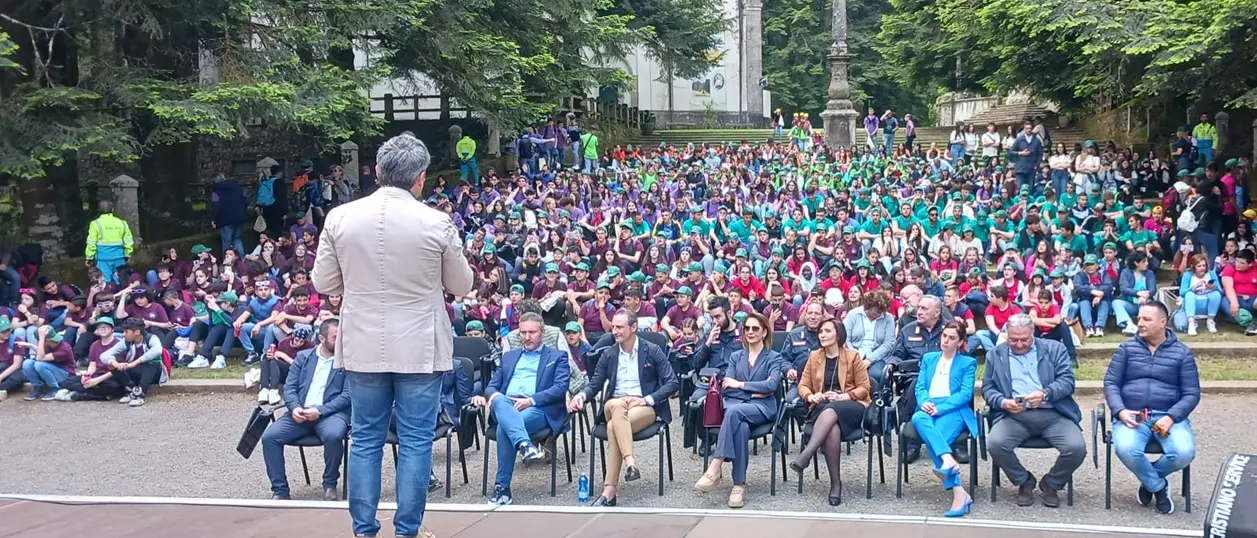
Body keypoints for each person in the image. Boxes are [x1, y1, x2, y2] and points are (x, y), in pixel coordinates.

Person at [312, 134, 474, 538]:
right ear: (420, 179)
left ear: (378, 172)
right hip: (419, 343)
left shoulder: (340, 217)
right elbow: (461, 283)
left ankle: (364, 530)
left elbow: (323, 280)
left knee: (365, 437)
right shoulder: (436, 221)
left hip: (364, 341)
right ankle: (407, 531)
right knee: (417, 441)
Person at [568, 310, 679, 506]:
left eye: (619, 327)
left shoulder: (652, 350)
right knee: (617, 405)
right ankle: (630, 462)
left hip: (642, 405)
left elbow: (672, 382)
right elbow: (594, 385)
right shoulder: (609, 354)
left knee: (612, 428)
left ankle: (609, 491)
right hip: (615, 402)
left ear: (633, 327)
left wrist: (648, 399)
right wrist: (581, 396)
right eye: (613, 327)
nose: (615, 331)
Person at [1103, 302, 1199, 514]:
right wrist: (1120, 411)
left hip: (1169, 416)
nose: (1140, 323)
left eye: (1146, 319)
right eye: (1139, 319)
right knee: (1126, 449)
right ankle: (1158, 486)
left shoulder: (1182, 353)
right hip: (1132, 415)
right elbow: (1111, 383)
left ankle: (1149, 481)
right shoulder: (1126, 349)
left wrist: (1172, 416)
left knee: (1184, 453)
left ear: (1163, 323)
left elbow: (1192, 393)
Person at [982, 314, 1086, 508]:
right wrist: (1004, 402)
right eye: (1013, 340)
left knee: (1076, 448)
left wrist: (1046, 394)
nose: (1019, 344)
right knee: (996, 444)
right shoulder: (995, 355)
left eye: (1024, 340)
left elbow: (1067, 382)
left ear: (1034, 334)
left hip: (1053, 413)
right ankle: (1024, 481)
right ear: (1006, 334)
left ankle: (1051, 483)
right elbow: (988, 388)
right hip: (1014, 416)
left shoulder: (1054, 349)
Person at [472, 313, 570, 506]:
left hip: (538, 408)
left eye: (532, 332)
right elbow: (491, 386)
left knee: (504, 428)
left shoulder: (557, 356)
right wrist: (495, 396)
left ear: (542, 333)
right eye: (523, 332)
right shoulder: (509, 357)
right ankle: (525, 445)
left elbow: (560, 388)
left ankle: (502, 488)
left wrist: (531, 400)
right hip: (507, 404)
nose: (527, 337)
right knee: (499, 400)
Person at [693, 312, 784, 509]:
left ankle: (715, 466)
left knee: (734, 414)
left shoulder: (774, 357)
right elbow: (727, 385)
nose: (750, 332)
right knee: (740, 427)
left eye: (755, 329)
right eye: (747, 329)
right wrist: (754, 390)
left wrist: (741, 385)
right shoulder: (736, 356)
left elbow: (771, 386)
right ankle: (738, 486)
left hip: (763, 408)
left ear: (764, 332)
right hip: (739, 407)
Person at [261, 320, 350, 501]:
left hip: (330, 414)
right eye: (335, 337)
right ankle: (280, 490)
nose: (340, 341)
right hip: (300, 413)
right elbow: (290, 388)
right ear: (321, 338)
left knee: (334, 435)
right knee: (270, 438)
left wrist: (321, 411)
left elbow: (347, 396)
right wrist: (294, 408)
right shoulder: (303, 357)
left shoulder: (346, 361)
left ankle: (330, 484)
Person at [789, 317, 870, 506]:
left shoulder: (852, 356)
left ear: (838, 334)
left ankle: (807, 454)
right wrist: (811, 396)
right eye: (821, 332)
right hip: (822, 408)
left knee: (834, 408)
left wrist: (844, 396)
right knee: (832, 428)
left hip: (850, 406)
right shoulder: (814, 357)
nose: (822, 335)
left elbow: (865, 388)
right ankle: (835, 483)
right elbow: (802, 386)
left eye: (827, 331)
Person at [909, 321, 979, 517]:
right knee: (918, 417)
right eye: (944, 336)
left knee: (935, 440)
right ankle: (949, 461)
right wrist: (924, 402)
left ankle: (959, 494)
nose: (946, 341)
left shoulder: (968, 363)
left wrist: (940, 409)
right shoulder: (929, 358)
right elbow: (920, 386)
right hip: (928, 406)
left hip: (954, 409)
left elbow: (965, 395)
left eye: (952, 338)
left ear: (961, 342)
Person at [887, 294, 946, 462]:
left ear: (937, 313)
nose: (919, 312)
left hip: (944, 377)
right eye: (919, 308)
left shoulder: (949, 330)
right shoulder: (908, 330)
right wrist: (891, 364)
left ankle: (957, 443)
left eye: (924, 309)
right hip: (914, 377)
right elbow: (898, 354)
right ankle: (912, 442)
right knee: (914, 387)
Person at [53, 316, 127, 402]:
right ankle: (99, 395)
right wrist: (87, 376)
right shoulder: (94, 344)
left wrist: (96, 381)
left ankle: (82, 395)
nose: (103, 329)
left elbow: (117, 370)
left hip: (112, 376)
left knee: (114, 386)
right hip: (97, 374)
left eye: (106, 327)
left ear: (112, 329)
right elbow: (92, 364)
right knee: (66, 382)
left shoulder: (118, 345)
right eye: (100, 327)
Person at [96, 318, 167, 407]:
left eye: (126, 332)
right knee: (110, 363)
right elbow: (104, 355)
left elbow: (157, 351)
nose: (123, 334)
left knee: (152, 360)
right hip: (136, 371)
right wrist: (115, 364)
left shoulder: (151, 338)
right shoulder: (126, 342)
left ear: (137, 332)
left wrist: (136, 362)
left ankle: (140, 394)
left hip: (153, 373)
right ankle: (132, 390)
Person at [18, 325, 75, 401]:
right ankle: (38, 388)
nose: (39, 342)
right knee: (27, 363)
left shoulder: (65, 349)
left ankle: (54, 388)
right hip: (53, 371)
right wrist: (30, 346)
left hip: (66, 376)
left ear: (46, 340)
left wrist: (42, 338)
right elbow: (41, 354)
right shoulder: (49, 344)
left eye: (39, 340)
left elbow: (40, 358)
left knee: (39, 364)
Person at [84, 200, 135, 285]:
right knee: (121, 279)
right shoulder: (122, 223)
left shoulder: (95, 224)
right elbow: (128, 240)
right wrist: (127, 254)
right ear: (112, 209)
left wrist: (89, 257)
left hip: (103, 258)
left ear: (98, 210)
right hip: (119, 256)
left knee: (105, 281)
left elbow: (91, 242)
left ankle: (108, 297)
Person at [212, 172, 249, 256]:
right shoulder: (237, 187)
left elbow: (215, 206)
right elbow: (245, 201)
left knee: (226, 242)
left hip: (225, 219)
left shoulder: (216, 191)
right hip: (239, 217)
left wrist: (214, 219)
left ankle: (227, 262)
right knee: (237, 239)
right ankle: (241, 259)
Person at [0, 316, 25, 401]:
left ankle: (2, 388)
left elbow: (16, 364)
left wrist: (1, 377)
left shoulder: (16, 341)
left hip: (11, 369)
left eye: (8, 330)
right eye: (3, 331)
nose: (7, 333)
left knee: (19, 377)